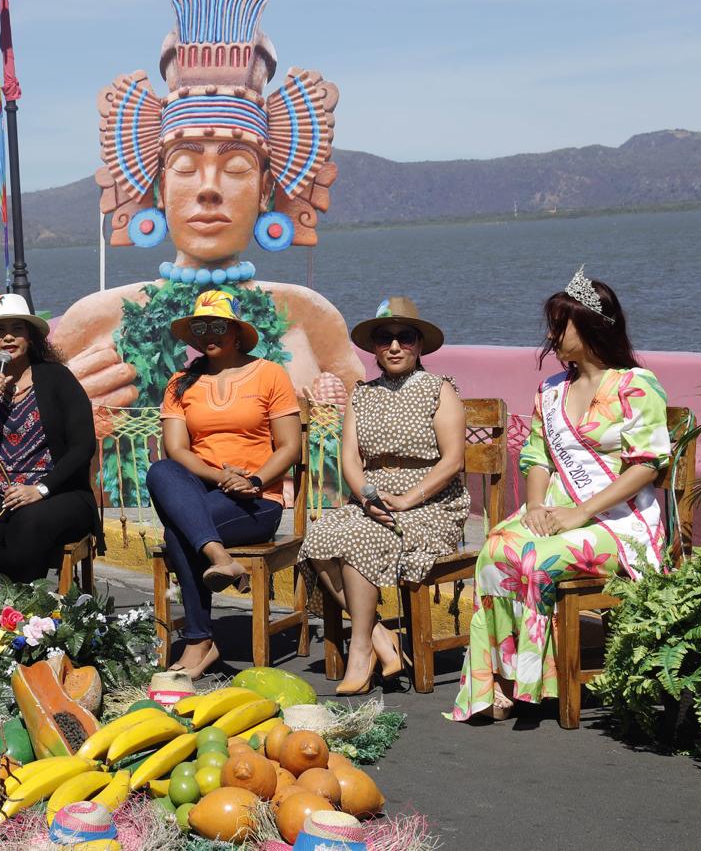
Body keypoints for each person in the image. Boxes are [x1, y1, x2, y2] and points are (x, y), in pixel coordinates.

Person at [51, 0, 363, 412]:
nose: (208, 189)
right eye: (185, 165)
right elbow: (18, 428)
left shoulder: (310, 316)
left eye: (236, 167)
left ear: (265, 190)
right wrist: (62, 411)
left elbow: (365, 435)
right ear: (160, 188)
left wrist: (336, 412)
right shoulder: (93, 320)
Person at [451, 270, 670, 721]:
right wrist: (534, 508)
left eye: (560, 325)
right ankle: (501, 683)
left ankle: (538, 682)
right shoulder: (551, 390)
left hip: (618, 521)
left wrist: (579, 513)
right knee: (494, 551)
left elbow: (647, 465)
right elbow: (536, 455)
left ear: (590, 327)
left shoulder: (635, 386)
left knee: (535, 560)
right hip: (555, 508)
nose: (551, 335)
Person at [300, 297, 469, 695]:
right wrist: (367, 497)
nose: (394, 347)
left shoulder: (439, 389)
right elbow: (350, 460)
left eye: (404, 338)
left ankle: (360, 651)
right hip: (374, 498)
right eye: (384, 339)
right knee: (320, 538)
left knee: (360, 540)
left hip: (431, 503)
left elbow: (453, 461)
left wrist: (409, 498)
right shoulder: (362, 394)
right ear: (374, 347)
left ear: (419, 345)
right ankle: (379, 638)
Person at [146, 290, 303, 680]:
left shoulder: (269, 374)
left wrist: (252, 479)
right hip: (205, 492)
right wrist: (220, 477)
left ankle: (200, 641)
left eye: (218, 325)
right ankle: (220, 558)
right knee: (160, 472)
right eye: (200, 327)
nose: (208, 334)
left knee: (178, 530)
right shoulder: (181, 383)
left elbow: (290, 446)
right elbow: (177, 449)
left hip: (256, 500)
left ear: (235, 331)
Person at [0, 293, 98, 583]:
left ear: (30, 337)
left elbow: (82, 447)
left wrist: (40, 489)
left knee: (29, 524)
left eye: (17, 329)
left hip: (55, 489)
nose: (8, 338)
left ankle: (26, 610)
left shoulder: (59, 379)